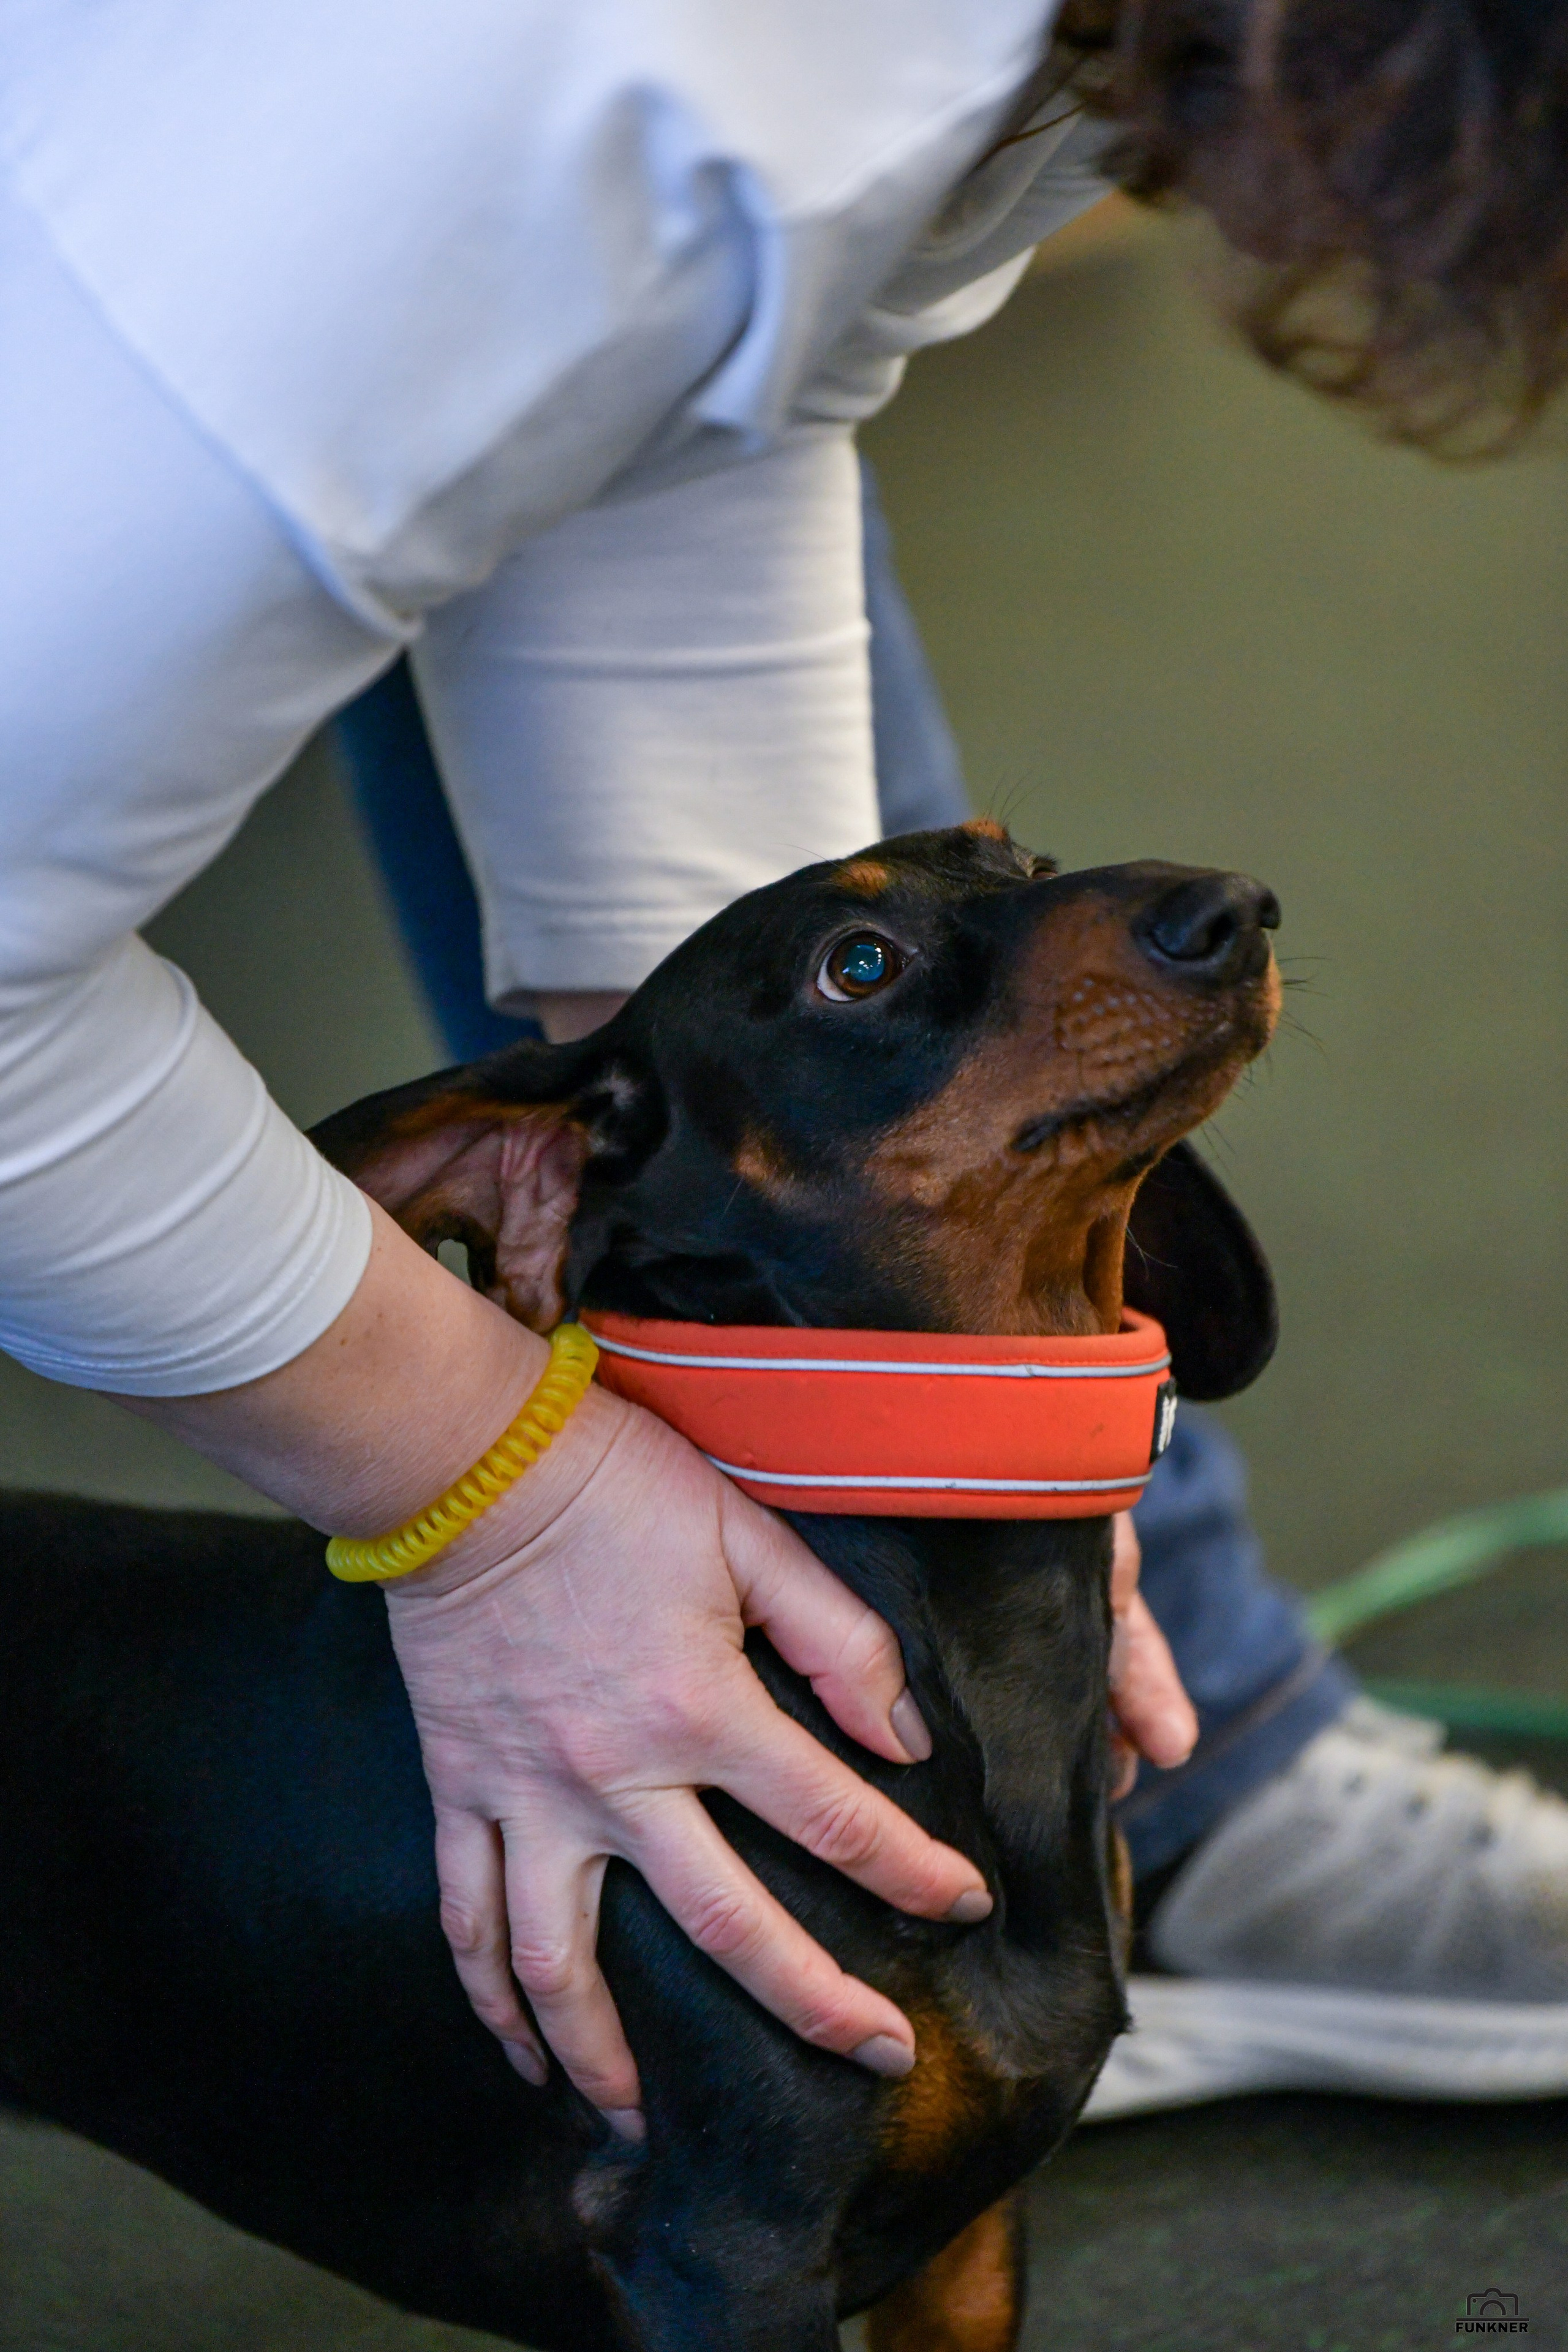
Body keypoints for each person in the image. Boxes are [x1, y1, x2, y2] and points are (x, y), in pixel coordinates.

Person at [6, 0, 1567, 2144]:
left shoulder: (845, 104)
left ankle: (1220, 1788)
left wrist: (822, 1364)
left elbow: (678, 411)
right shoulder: (517, 134)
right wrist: (492, 1499)